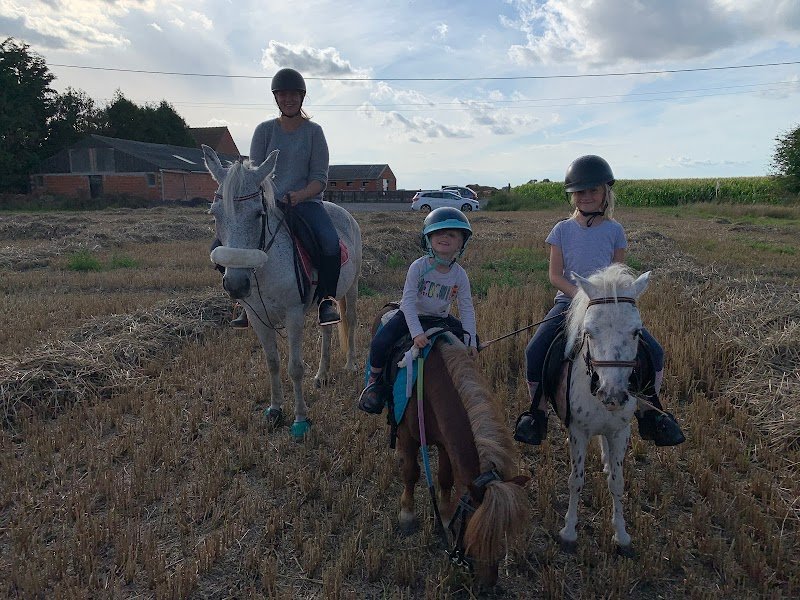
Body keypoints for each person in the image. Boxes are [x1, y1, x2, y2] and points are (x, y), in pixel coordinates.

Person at [513, 155, 685, 446]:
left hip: (608, 308)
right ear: (573, 196)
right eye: (580, 191)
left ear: (606, 192)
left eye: (593, 190)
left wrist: (604, 301)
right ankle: (538, 413)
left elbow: (619, 276)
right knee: (535, 350)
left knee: (653, 352)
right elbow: (555, 276)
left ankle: (650, 411)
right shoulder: (562, 230)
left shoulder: (615, 231)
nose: (587, 196)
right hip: (568, 303)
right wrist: (583, 299)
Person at [358, 207, 479, 414]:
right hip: (411, 315)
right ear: (428, 239)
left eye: (452, 234)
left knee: (473, 342)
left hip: (439, 319)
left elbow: (466, 308)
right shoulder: (418, 267)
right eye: (439, 233)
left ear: (461, 242)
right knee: (380, 342)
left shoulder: (460, 275)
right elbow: (408, 302)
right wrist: (416, 333)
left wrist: (470, 340)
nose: (445, 237)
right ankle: (374, 383)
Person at [246, 67, 341, 326]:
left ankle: (327, 301)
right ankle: (244, 301)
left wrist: (299, 196)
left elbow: (320, 178)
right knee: (223, 244)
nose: (288, 99)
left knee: (330, 244)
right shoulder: (264, 131)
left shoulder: (314, 132)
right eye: (283, 94)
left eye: (293, 95)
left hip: (305, 203)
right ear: (276, 98)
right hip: (268, 204)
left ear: (302, 97)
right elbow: (255, 172)